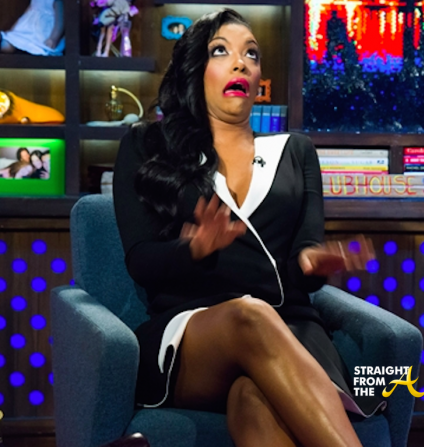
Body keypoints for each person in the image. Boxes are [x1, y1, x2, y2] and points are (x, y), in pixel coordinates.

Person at [113, 9, 385, 447]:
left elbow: (300, 261)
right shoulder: (148, 145)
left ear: (259, 82)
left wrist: (312, 262)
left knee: (253, 399)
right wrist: (194, 249)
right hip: (194, 333)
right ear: (196, 69)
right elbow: (140, 261)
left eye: (252, 54)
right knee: (249, 313)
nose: (241, 63)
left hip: (291, 329)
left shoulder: (294, 152)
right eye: (221, 51)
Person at [0, 0, 65, 56]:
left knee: (35, 46)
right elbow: (29, 10)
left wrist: (53, 38)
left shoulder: (57, 1)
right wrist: (14, 29)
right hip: (28, 27)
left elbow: (60, 19)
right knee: (13, 39)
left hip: (42, 32)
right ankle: (4, 44)